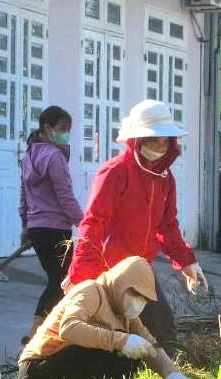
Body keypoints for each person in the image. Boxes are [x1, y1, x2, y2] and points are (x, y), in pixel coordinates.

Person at [67, 100, 209, 358]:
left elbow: (167, 226)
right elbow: (93, 223)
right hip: (108, 269)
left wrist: (187, 262)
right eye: (152, 141)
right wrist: (81, 276)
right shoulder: (116, 172)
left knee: (162, 326)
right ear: (137, 140)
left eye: (163, 141)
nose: (158, 147)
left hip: (141, 268)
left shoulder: (166, 179)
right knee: (107, 333)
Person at [18, 256, 194, 379]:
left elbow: (149, 344)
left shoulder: (125, 314)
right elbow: (69, 328)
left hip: (62, 367)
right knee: (119, 350)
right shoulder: (91, 290)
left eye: (143, 299)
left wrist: (170, 373)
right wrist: (121, 340)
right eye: (134, 294)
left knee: (133, 351)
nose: (138, 303)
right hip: (37, 371)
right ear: (121, 283)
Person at [19, 106, 84, 344]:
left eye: (69, 130)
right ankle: (36, 335)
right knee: (62, 282)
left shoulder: (28, 157)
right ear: (48, 129)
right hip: (56, 229)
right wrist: (86, 223)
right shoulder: (54, 157)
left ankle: (56, 333)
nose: (67, 134)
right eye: (63, 129)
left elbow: (23, 197)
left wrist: (25, 227)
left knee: (59, 281)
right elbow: (65, 196)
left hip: (37, 230)